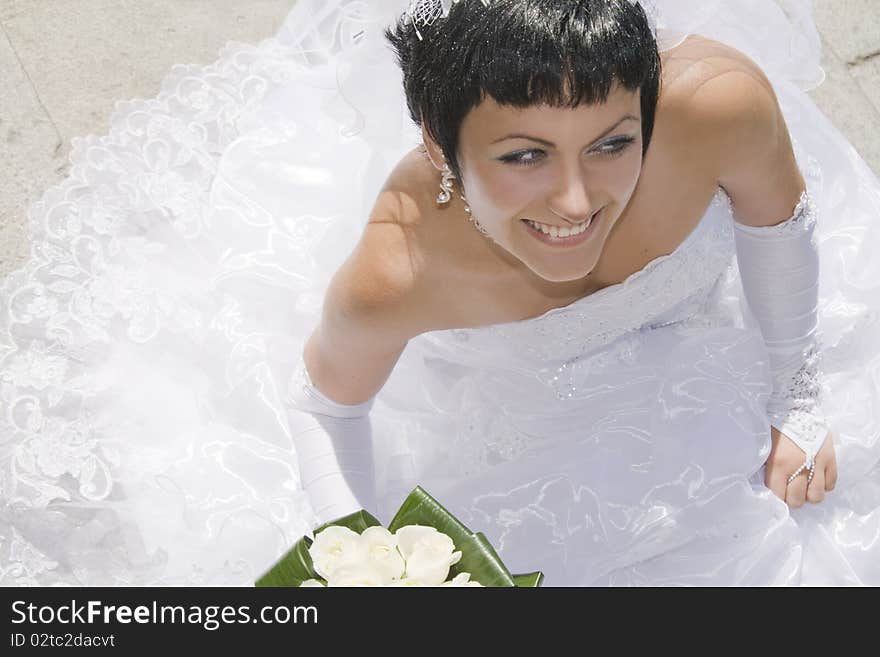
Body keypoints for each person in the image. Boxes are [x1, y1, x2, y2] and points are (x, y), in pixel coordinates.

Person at [1, 0, 878, 586]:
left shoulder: (723, 108)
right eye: (524, 156)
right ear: (437, 148)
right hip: (526, 416)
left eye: (613, 143)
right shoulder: (399, 271)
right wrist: (361, 559)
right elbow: (324, 406)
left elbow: (778, 223)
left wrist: (796, 393)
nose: (577, 203)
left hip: (709, 364)